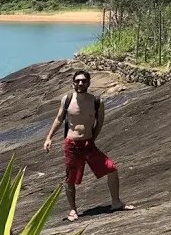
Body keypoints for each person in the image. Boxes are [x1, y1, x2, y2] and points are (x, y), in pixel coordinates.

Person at [43, 70, 135, 221]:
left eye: (84, 81)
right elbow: (59, 119)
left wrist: (93, 137)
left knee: (111, 169)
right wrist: (49, 138)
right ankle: (72, 210)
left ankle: (116, 202)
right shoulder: (67, 100)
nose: (80, 83)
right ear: (73, 83)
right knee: (70, 178)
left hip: (88, 144)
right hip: (72, 145)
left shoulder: (97, 101)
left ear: (88, 83)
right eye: (78, 81)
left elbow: (100, 121)